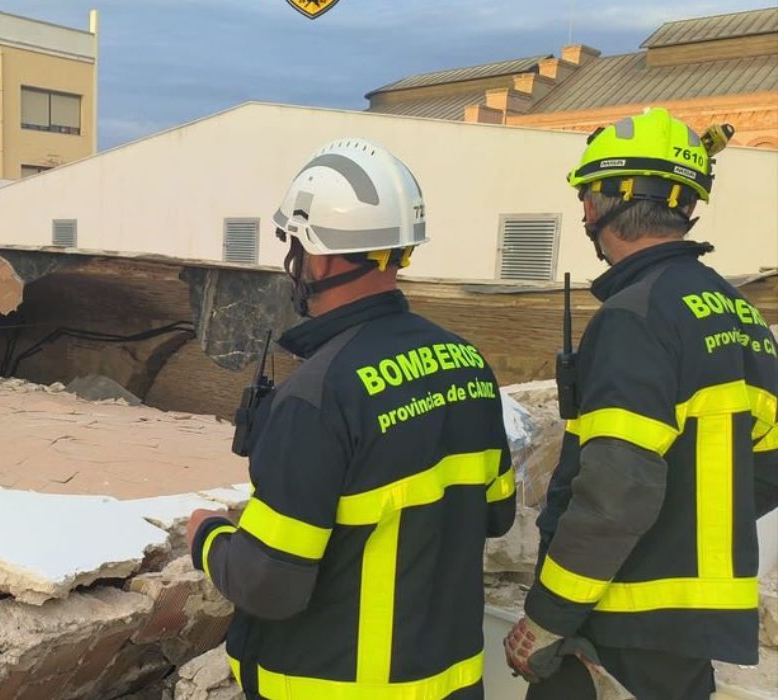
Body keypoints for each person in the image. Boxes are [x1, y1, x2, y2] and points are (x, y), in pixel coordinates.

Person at [186, 139, 516, 699]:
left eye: (295, 244)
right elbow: (496, 513)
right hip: (451, 684)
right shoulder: (468, 364)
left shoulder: (317, 396)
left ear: (319, 257)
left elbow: (271, 585)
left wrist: (208, 537)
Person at [504, 107, 778, 699]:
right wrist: (684, 529)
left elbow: (615, 495)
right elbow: (766, 470)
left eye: (587, 195)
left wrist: (548, 618)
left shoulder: (635, 317)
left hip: (615, 626)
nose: (584, 211)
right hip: (687, 638)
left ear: (609, 201)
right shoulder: (742, 316)